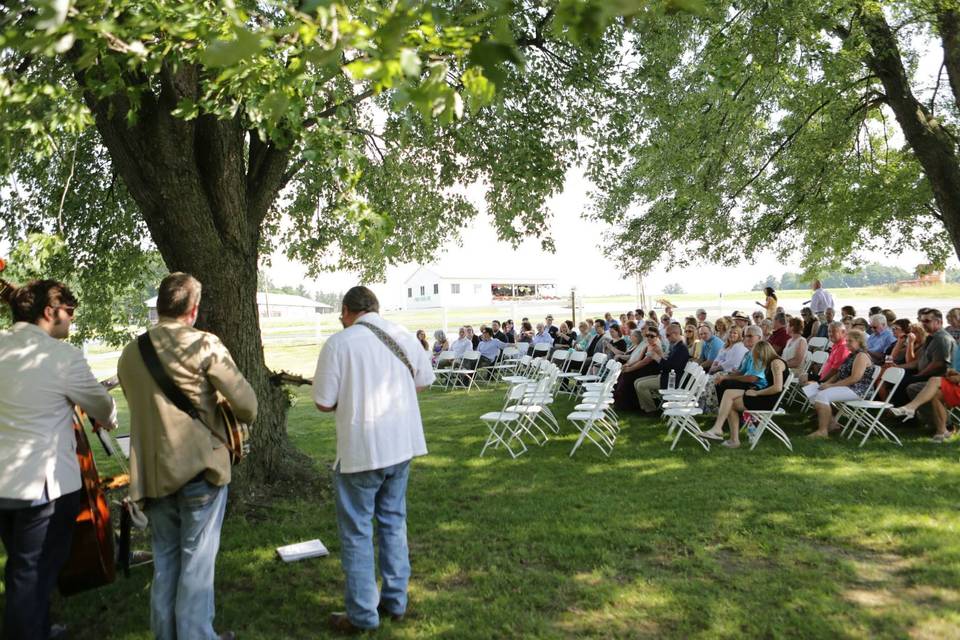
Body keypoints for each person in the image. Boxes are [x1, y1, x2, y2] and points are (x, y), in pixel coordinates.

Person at [118, 272, 257, 640]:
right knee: (196, 565)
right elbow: (248, 405)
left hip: (153, 473)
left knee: (165, 565)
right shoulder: (204, 345)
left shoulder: (131, 353)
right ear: (192, 310)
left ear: (161, 304)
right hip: (200, 469)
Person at [0, 279, 119, 640]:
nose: (71, 321)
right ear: (50, 312)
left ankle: (40, 626)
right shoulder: (63, 357)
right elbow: (104, 408)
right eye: (69, 313)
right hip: (43, 485)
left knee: (23, 564)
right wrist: (104, 414)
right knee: (30, 573)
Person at [312, 286, 434, 633]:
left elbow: (322, 401)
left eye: (341, 315)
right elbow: (423, 382)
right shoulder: (403, 335)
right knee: (394, 522)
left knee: (357, 532)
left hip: (362, 449)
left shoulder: (340, 342)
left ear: (348, 310)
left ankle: (364, 613)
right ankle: (395, 600)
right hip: (401, 444)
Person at [703, 340, 786, 448]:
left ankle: (722, 432)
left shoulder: (776, 363)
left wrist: (757, 393)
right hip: (765, 396)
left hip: (769, 400)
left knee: (729, 399)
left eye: (757, 356)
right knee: (729, 397)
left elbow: (777, 387)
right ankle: (729, 437)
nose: (757, 360)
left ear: (762, 353)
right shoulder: (772, 362)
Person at [801, 329, 875, 438]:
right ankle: (831, 424)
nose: (847, 343)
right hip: (847, 386)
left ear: (859, 342)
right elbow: (838, 374)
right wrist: (826, 383)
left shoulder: (861, 356)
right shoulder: (852, 355)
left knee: (822, 395)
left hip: (857, 390)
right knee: (812, 389)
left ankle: (822, 431)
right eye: (846, 341)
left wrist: (830, 386)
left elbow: (854, 378)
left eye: (850, 341)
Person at [890, 340, 960, 441]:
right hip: (955, 385)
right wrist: (951, 372)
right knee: (935, 394)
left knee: (934, 380)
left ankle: (911, 407)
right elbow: (954, 368)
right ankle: (942, 431)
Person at [893, 308, 955, 406]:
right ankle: (898, 410)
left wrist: (920, 374)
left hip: (935, 377)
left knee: (904, 382)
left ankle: (905, 414)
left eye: (927, 321)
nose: (923, 324)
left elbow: (938, 364)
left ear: (939, 322)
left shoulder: (942, 339)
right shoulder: (931, 337)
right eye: (922, 321)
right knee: (897, 375)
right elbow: (918, 362)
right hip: (925, 373)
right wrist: (897, 367)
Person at [633, 324, 689, 413]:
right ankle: (644, 407)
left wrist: (657, 357)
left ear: (675, 334)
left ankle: (651, 410)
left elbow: (670, 368)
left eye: (668, 335)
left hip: (671, 380)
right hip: (666, 375)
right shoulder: (676, 346)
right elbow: (669, 364)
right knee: (636, 381)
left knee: (641, 385)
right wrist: (661, 356)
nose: (666, 338)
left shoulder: (681, 348)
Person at [613, 330, 662, 411]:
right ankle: (636, 406)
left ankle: (631, 406)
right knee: (623, 374)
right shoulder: (647, 345)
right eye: (648, 335)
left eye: (652, 336)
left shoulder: (655, 347)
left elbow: (644, 362)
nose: (649, 337)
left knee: (628, 376)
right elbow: (639, 359)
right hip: (643, 368)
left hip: (650, 371)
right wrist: (628, 365)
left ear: (657, 338)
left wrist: (630, 369)